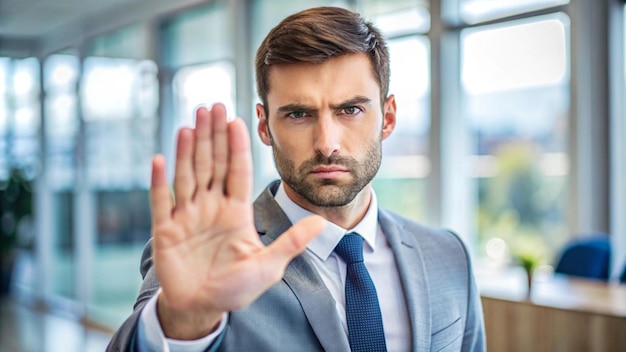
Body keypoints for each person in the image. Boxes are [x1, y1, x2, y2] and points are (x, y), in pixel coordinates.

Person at [107, 6, 485, 352]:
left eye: (350, 109)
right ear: (264, 125)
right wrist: (182, 324)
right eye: (299, 114)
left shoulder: (448, 255)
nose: (327, 144)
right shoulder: (213, 251)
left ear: (387, 117)